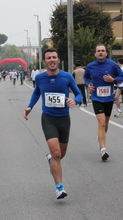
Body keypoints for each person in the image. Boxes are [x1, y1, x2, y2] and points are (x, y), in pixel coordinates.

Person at [23, 48, 82, 200]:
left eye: (54, 57)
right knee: (56, 153)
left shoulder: (67, 77)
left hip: (64, 119)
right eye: (48, 58)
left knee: (61, 154)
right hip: (48, 118)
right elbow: (37, 92)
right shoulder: (40, 78)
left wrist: (74, 100)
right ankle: (59, 188)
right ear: (44, 61)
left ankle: (51, 160)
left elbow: (79, 94)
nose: (51, 60)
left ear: (58, 59)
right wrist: (30, 106)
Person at [83, 44, 123, 160]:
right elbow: (86, 77)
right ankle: (103, 149)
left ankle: (100, 139)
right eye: (98, 51)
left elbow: (121, 76)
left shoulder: (112, 65)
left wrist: (114, 80)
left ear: (106, 53)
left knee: (105, 123)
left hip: (108, 98)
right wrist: (88, 85)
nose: (100, 52)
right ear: (95, 54)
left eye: (103, 51)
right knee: (101, 122)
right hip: (97, 97)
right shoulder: (91, 66)